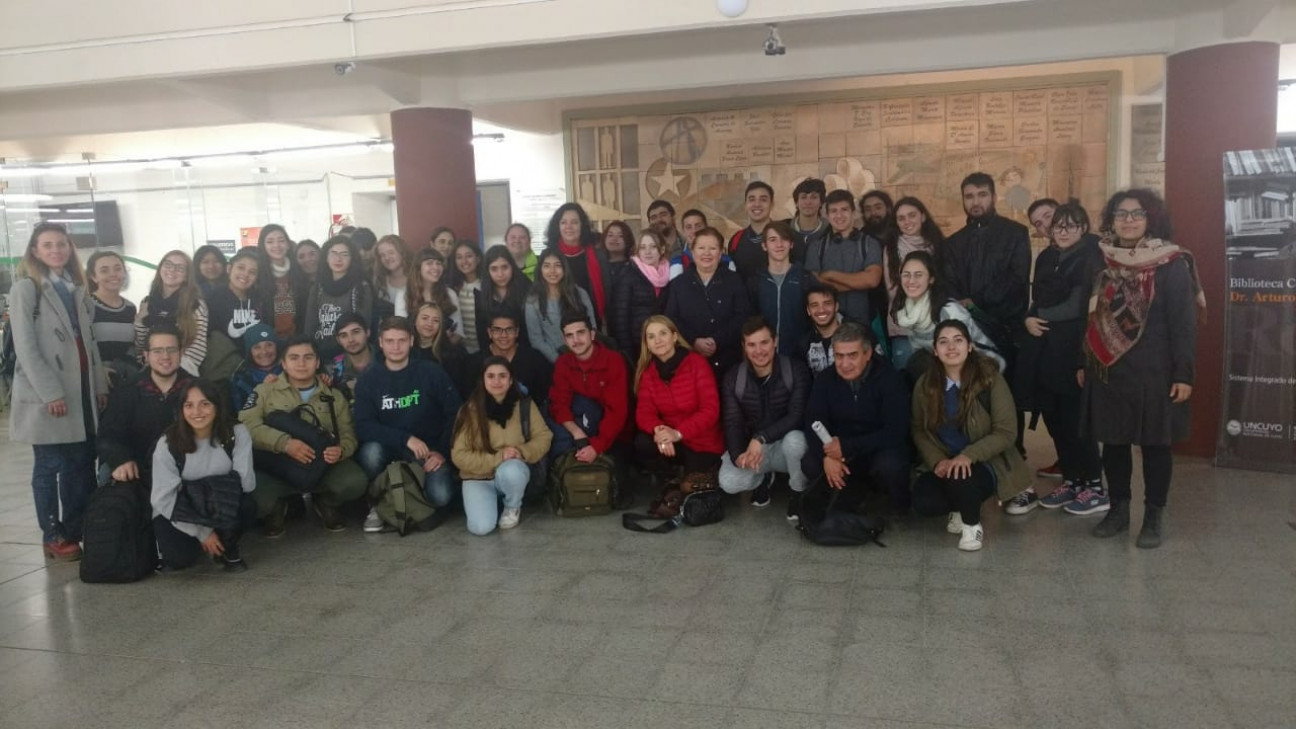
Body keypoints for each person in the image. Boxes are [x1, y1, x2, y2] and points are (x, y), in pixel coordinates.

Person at [1082, 189, 1202, 548]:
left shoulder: (1171, 263)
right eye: (1121, 214)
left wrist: (1184, 373)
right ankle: (1118, 510)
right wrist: (1083, 361)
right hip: (1109, 368)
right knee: (1114, 444)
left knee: (1154, 445)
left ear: (1152, 219)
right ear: (1111, 220)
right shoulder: (1102, 260)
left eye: (1137, 214)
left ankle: (1153, 516)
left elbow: (1184, 323)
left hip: (1155, 371)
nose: (1128, 220)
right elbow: (1090, 316)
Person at [9, 223, 108, 561]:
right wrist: (50, 393)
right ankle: (52, 533)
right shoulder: (26, 289)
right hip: (47, 395)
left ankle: (77, 528)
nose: (56, 251)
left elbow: (89, 343)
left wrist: (98, 385)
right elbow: (26, 347)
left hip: (80, 392)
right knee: (50, 465)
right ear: (35, 251)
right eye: (47, 245)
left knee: (80, 464)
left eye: (61, 244)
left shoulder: (75, 288)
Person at [1013, 201, 1105, 514]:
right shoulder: (1048, 257)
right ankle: (1072, 479)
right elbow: (1037, 296)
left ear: (1082, 226)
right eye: (1047, 225)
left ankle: (1094, 485)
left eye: (1064, 223)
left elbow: (1079, 306)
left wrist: (1035, 314)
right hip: (1048, 351)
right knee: (1057, 419)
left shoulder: (1093, 255)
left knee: (1077, 420)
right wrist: (1028, 316)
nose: (1057, 229)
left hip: (1075, 350)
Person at [910, 320, 1029, 551]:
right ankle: (959, 504)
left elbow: (1006, 431)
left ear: (970, 346)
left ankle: (972, 525)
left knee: (960, 476)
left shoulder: (989, 378)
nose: (951, 347)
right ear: (935, 350)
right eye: (943, 342)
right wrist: (937, 461)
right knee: (924, 501)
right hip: (947, 459)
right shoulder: (926, 385)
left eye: (958, 340)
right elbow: (918, 429)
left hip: (987, 461)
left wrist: (968, 456)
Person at [239, 336, 368, 536]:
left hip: (321, 465)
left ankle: (324, 501)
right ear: (283, 363)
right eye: (294, 358)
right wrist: (284, 443)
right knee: (257, 499)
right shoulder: (264, 391)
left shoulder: (334, 395)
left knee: (354, 482)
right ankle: (278, 506)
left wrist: (341, 450)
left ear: (317, 362)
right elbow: (246, 426)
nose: (301, 363)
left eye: (308, 357)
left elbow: (348, 434)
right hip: (278, 464)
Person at [355, 316, 463, 532]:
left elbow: (456, 414)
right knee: (369, 453)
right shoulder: (369, 379)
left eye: (402, 340)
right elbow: (363, 425)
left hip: (428, 450)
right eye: (390, 341)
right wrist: (405, 439)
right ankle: (377, 503)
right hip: (389, 449)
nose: (396, 347)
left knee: (441, 496)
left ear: (411, 341)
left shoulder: (430, 372)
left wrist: (441, 452)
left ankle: (412, 499)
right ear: (380, 342)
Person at [803, 322, 910, 515]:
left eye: (852, 355)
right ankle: (844, 495)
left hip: (875, 450)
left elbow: (896, 431)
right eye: (839, 356)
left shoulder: (890, 379)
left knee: (890, 465)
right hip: (841, 454)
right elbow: (812, 421)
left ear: (867, 354)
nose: (845, 364)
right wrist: (827, 456)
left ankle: (889, 502)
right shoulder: (825, 379)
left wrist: (848, 445)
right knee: (810, 461)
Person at [152, 380, 256, 571]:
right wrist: (203, 533)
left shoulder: (236, 433)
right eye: (189, 405)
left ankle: (227, 544)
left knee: (248, 506)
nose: (197, 412)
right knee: (179, 560)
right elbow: (163, 498)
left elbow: (245, 484)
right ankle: (205, 543)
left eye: (205, 404)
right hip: (181, 511)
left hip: (222, 504)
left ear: (217, 406)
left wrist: (217, 504)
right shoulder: (168, 442)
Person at [719, 317, 811, 519]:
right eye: (751, 344)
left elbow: (797, 416)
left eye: (764, 342)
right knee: (729, 482)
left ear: (775, 341)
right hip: (755, 450)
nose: (759, 351)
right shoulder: (734, 376)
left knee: (796, 441)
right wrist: (737, 455)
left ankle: (798, 492)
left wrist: (761, 438)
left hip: (784, 447)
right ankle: (763, 479)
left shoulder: (795, 369)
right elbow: (732, 421)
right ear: (744, 346)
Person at [451, 357, 553, 535]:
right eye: (490, 376)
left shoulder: (525, 405)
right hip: (478, 477)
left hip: (511, 470)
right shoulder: (469, 410)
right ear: (483, 380)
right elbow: (459, 455)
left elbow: (544, 436)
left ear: (511, 379)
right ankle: (489, 502)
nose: (496, 381)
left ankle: (512, 506)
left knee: (511, 470)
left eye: (502, 376)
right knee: (481, 528)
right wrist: (499, 457)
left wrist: (521, 452)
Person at [941, 171, 1031, 363]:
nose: (976, 202)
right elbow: (949, 282)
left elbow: (1017, 280)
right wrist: (964, 306)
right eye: (969, 196)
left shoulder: (1015, 234)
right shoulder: (953, 243)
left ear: (994, 197)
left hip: (1007, 330)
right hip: (966, 331)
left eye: (982, 195)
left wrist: (976, 302)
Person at [99, 325, 194, 485]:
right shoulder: (127, 391)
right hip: (138, 470)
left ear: (181, 352)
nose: (165, 356)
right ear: (146, 355)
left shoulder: (198, 390)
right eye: (157, 351)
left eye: (171, 350)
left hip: (186, 470)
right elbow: (108, 435)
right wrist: (121, 460)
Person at [633, 315, 724, 478]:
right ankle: (670, 476)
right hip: (670, 440)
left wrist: (678, 433)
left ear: (674, 336)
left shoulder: (697, 363)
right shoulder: (648, 373)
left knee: (694, 491)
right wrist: (660, 431)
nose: (658, 340)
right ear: (646, 343)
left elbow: (710, 410)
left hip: (700, 439)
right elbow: (644, 412)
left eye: (663, 333)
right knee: (642, 443)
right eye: (651, 336)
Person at [892, 251, 1005, 375]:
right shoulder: (906, 312)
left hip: (979, 367)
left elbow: (971, 353)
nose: (911, 281)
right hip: (942, 364)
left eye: (918, 275)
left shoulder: (949, 311)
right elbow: (919, 352)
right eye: (906, 275)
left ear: (931, 279)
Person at [664, 227, 752, 380]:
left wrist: (717, 340)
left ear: (720, 253)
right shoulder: (679, 284)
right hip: (689, 360)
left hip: (728, 361)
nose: (706, 253)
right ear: (692, 251)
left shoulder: (734, 280)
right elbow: (671, 318)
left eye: (712, 248)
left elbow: (742, 316)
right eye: (701, 248)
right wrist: (694, 341)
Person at [549, 313, 630, 464]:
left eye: (581, 333)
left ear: (592, 334)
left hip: (610, 431)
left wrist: (597, 446)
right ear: (564, 340)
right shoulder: (563, 363)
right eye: (570, 336)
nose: (576, 340)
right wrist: (576, 432)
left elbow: (617, 411)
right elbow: (559, 403)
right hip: (579, 424)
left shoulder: (613, 360)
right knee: (558, 431)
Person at [804, 189, 884, 327]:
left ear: (853, 212)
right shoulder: (816, 247)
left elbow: (872, 280)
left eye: (844, 210)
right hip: (827, 326)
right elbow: (817, 288)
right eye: (834, 211)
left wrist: (830, 274)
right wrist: (859, 282)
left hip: (862, 325)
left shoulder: (869, 243)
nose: (839, 215)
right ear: (827, 215)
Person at [883, 197, 944, 367]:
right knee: (906, 378)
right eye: (901, 218)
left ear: (923, 216)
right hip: (904, 326)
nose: (907, 221)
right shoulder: (892, 248)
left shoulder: (937, 245)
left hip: (935, 323)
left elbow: (942, 284)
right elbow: (893, 288)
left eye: (912, 215)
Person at [134, 250, 208, 377]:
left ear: (186, 275)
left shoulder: (195, 304)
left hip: (183, 372)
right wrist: (140, 321)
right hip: (151, 373)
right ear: (160, 268)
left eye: (180, 268)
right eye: (168, 264)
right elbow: (141, 346)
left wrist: (171, 373)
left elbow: (197, 349)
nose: (172, 270)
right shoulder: (147, 302)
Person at [304, 235, 376, 360]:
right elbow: (310, 327)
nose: (338, 259)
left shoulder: (361, 287)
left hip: (350, 355)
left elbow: (363, 327)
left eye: (344, 254)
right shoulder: (317, 289)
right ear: (326, 258)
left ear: (352, 259)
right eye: (333, 254)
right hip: (321, 353)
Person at [749, 221, 813, 358]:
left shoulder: (805, 278)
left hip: (799, 357)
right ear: (764, 246)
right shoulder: (755, 281)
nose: (779, 244)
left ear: (791, 244)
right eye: (773, 239)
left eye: (784, 239)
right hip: (763, 356)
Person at [464, 308, 552, 406]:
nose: (504, 335)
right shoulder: (474, 363)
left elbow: (543, 397)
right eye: (497, 330)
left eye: (509, 329)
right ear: (489, 333)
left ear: (517, 332)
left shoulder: (535, 359)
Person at [546, 202, 611, 328]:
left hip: (591, 322)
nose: (569, 227)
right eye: (563, 222)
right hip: (556, 323)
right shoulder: (548, 256)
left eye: (574, 222)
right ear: (557, 226)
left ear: (582, 225)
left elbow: (607, 291)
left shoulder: (598, 256)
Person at [525, 249, 596, 363]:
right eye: (547, 266)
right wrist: (560, 361)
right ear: (540, 269)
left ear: (564, 268)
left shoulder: (580, 294)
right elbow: (536, 340)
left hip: (586, 357)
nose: (552, 271)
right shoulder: (533, 301)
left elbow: (592, 327)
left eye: (557, 265)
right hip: (555, 361)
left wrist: (584, 355)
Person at [610, 229, 669, 362]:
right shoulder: (628, 274)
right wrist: (627, 352)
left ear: (662, 249)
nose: (647, 252)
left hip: (663, 344)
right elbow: (620, 318)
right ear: (637, 251)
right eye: (642, 247)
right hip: (638, 346)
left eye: (653, 247)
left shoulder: (669, 274)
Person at [85, 250, 138, 388]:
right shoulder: (85, 305)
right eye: (104, 270)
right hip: (95, 382)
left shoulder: (130, 308)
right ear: (93, 277)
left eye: (117, 268)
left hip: (124, 381)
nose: (113, 274)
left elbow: (132, 346)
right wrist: (97, 370)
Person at [256, 224, 308, 340]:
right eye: (270, 241)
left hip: (297, 339)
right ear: (263, 246)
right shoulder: (257, 275)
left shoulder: (299, 273)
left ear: (288, 244)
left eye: (281, 240)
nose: (276, 245)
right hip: (269, 341)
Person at [476, 245, 532, 349]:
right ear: (487, 271)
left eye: (505, 267)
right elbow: (482, 332)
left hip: (524, 350)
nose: (500, 274)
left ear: (512, 266)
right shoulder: (480, 293)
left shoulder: (526, 288)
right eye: (494, 269)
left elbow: (531, 329)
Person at [206, 249, 266, 342]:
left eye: (252, 272)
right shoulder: (214, 299)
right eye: (241, 268)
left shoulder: (259, 298)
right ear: (229, 268)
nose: (246, 274)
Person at [406, 248, 463, 344]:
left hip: (445, 349)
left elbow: (459, 331)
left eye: (439, 263)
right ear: (418, 267)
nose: (436, 267)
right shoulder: (404, 294)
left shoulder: (450, 293)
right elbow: (402, 330)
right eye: (429, 263)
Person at [411, 301, 469, 388]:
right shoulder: (405, 351)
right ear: (415, 321)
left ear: (441, 326)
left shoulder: (453, 354)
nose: (429, 324)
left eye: (435, 320)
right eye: (425, 318)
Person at [728, 181, 774, 282]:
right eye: (751, 199)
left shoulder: (785, 237)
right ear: (745, 205)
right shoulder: (736, 240)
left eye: (763, 199)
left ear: (772, 204)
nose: (757, 204)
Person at [229, 323, 280, 410]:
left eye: (269, 345)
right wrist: (262, 390)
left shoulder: (290, 372)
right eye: (257, 347)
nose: (264, 352)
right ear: (250, 352)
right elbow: (241, 413)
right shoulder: (240, 380)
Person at [327, 313, 377, 400]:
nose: (351, 340)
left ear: (367, 332)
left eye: (356, 332)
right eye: (344, 335)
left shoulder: (386, 360)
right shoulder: (332, 370)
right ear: (338, 340)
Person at [800, 283, 845, 376]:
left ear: (836, 306)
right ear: (808, 310)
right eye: (814, 305)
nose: (821, 310)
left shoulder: (859, 334)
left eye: (827, 303)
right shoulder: (803, 345)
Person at [450, 241, 484, 353]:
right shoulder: (453, 287)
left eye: (469, 256)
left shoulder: (486, 285)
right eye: (459, 257)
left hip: (485, 348)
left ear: (478, 259)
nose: (464, 261)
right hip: (461, 350)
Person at [786, 178, 828, 264]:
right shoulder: (784, 228)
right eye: (803, 197)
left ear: (821, 202)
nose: (808, 202)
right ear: (796, 202)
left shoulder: (830, 231)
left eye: (814, 197)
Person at [372, 234, 411, 317]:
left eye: (391, 252)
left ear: (402, 252)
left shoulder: (416, 278)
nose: (387, 258)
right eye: (382, 255)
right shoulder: (379, 281)